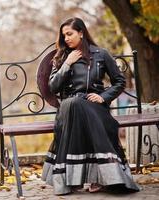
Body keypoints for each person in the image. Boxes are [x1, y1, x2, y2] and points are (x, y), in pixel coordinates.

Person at [41, 17, 139, 195]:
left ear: (81, 32)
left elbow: (119, 82)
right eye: (64, 36)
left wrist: (103, 97)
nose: (66, 39)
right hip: (68, 108)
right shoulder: (61, 56)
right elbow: (53, 87)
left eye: (69, 34)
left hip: (95, 107)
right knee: (76, 103)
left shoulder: (101, 54)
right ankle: (94, 177)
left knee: (84, 109)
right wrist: (67, 64)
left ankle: (82, 179)